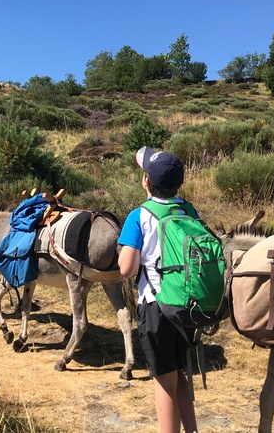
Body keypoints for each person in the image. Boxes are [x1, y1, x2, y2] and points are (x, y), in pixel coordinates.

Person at [118, 146, 198, 433]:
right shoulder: (189, 210)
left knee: (163, 380)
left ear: (146, 182)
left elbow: (126, 269)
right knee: (179, 373)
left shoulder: (138, 216)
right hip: (187, 306)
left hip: (156, 305)